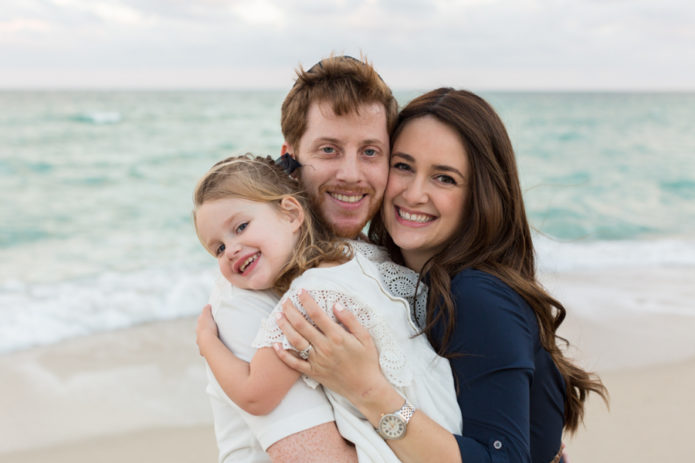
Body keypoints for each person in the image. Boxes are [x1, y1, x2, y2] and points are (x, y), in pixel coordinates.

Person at [273, 88, 608, 463]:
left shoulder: (476, 294)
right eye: (403, 166)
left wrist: (366, 389)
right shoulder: (401, 278)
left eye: (444, 178)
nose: (414, 194)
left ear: (481, 194)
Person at [198, 54, 400, 462]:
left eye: (370, 152)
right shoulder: (245, 300)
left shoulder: (364, 260)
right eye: (328, 149)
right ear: (290, 157)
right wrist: (206, 343)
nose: (351, 174)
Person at [194, 154, 461, 462]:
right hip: (443, 418)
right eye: (218, 248)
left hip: (400, 438)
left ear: (292, 214)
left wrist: (208, 345)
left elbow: (256, 395)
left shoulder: (305, 304)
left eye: (241, 227)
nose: (231, 251)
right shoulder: (365, 254)